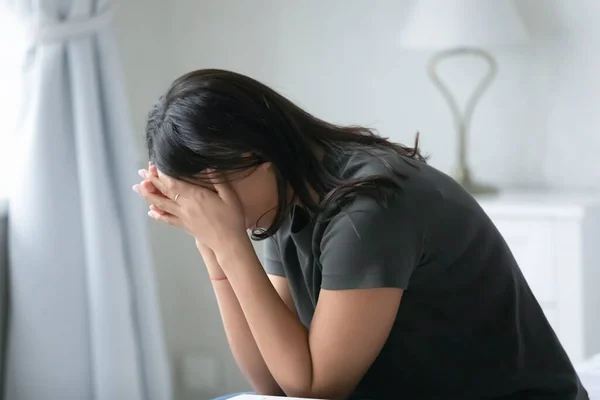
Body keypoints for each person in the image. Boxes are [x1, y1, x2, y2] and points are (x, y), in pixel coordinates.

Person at [133, 69, 588, 400]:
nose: (212, 211)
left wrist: (231, 245)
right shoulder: (281, 195)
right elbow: (271, 382)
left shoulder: (368, 211)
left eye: (207, 194)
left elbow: (315, 388)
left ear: (255, 155)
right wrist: (214, 248)